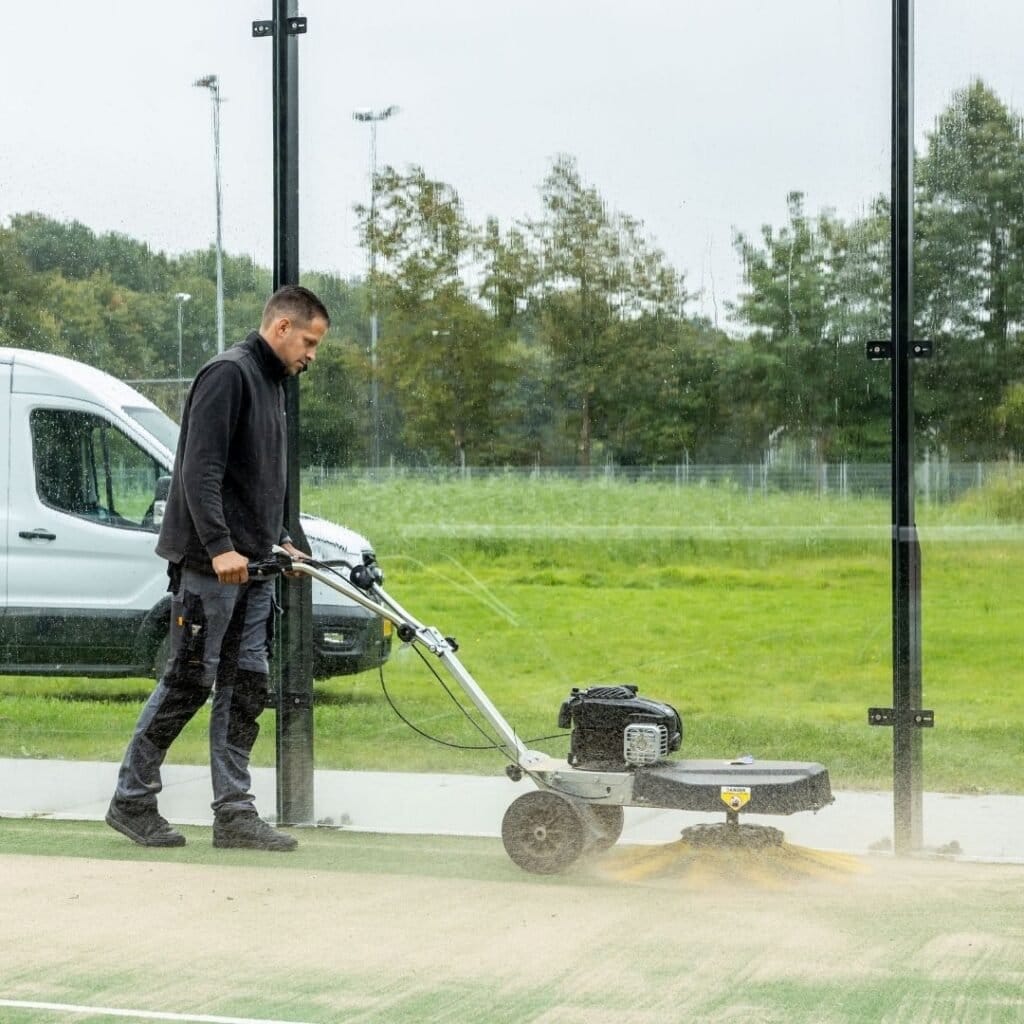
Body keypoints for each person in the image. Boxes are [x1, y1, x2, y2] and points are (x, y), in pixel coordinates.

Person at [107, 285, 330, 851]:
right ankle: (131, 801)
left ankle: (234, 813)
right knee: (187, 682)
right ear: (281, 328)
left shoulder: (274, 385)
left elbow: (258, 478)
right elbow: (198, 472)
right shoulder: (227, 374)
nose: (311, 355)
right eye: (308, 341)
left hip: (254, 570)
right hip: (211, 569)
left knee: (245, 687)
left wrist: (282, 540)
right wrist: (220, 547)